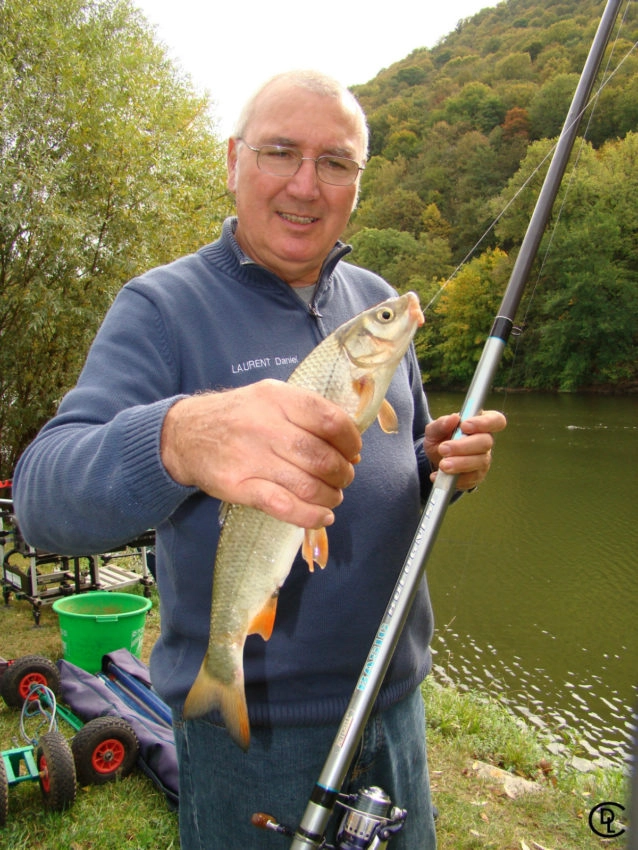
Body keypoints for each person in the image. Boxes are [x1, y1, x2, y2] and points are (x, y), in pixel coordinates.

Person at [13, 70, 506, 849]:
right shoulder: (160, 308)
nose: (306, 186)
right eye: (281, 153)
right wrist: (178, 437)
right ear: (233, 161)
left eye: (336, 162)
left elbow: (380, 477)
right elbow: (43, 498)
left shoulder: (375, 301)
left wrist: (432, 468)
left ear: (357, 182)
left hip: (394, 701)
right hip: (256, 731)